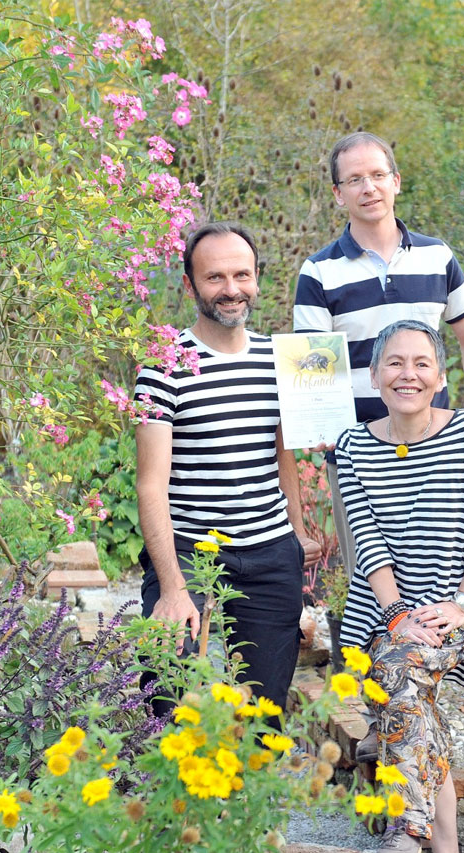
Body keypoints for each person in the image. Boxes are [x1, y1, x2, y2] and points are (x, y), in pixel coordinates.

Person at [294, 132, 464, 720]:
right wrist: (321, 450)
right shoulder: (318, 273)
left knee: (444, 567)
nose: (368, 187)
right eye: (354, 179)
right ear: (338, 194)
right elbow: (312, 366)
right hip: (360, 459)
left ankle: (441, 701)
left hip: (440, 447)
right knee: (367, 577)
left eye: (377, 174)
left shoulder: (437, 256)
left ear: (396, 180)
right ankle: (370, 709)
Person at [333, 319, 464, 853]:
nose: (407, 374)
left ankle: (407, 827)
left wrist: (462, 603)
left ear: (439, 378)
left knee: (400, 681)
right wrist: (397, 616)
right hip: (383, 613)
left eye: (421, 364)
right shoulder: (354, 444)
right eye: (394, 363)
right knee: (407, 687)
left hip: (461, 607)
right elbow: (366, 538)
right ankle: (448, 852)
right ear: (373, 374)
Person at [135, 222, 321, 717]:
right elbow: (150, 485)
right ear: (189, 285)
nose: (232, 289)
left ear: (258, 278)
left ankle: (245, 793)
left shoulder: (282, 360)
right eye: (215, 277)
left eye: (242, 274)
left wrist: (299, 536)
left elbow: (285, 455)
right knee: (168, 701)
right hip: (190, 553)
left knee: (264, 716)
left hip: (269, 554)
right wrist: (173, 589)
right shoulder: (163, 363)